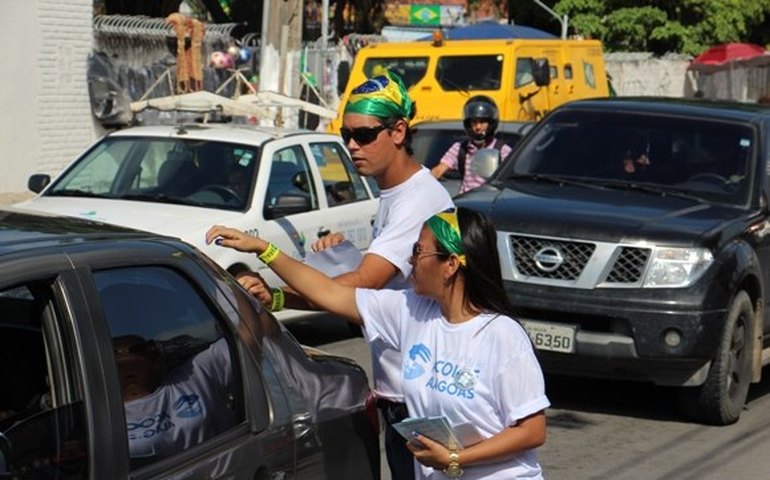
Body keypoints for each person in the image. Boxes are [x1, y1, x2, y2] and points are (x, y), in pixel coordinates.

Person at [206, 206, 549, 479]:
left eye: (418, 251)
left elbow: (532, 431)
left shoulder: (502, 335)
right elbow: (329, 293)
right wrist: (265, 250)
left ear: (449, 265)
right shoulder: (409, 310)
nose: (410, 261)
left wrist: (456, 458)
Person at [237, 69, 453, 480]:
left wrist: (268, 256)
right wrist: (332, 264)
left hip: (419, 398)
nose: (352, 146)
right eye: (346, 135)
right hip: (399, 391)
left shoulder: (418, 200)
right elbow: (376, 288)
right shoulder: (394, 194)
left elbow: (360, 288)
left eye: (364, 135)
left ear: (399, 131)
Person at [113, 335, 237, 462]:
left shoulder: (194, 374)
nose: (154, 350)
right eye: (138, 349)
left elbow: (245, 337)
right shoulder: (105, 417)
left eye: (150, 348)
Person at [431, 95, 512, 194]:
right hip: (466, 200)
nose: (478, 127)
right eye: (474, 122)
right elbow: (439, 170)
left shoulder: (502, 151)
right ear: (468, 124)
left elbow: (511, 181)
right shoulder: (460, 148)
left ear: (491, 123)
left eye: (482, 122)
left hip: (490, 200)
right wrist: (424, 183)